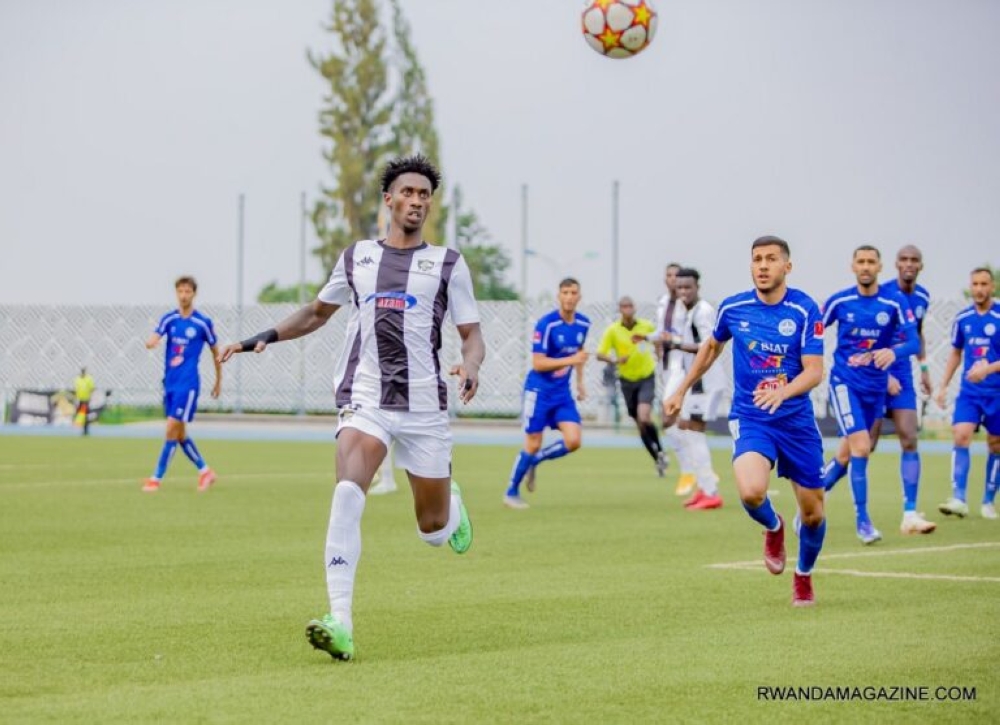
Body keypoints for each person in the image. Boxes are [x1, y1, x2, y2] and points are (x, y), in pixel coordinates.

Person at [219, 154, 485, 661]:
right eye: (407, 192)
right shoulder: (357, 257)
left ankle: (451, 505)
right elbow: (317, 312)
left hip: (425, 406)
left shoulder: (448, 264)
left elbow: (472, 335)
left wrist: (471, 366)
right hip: (366, 399)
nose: (416, 201)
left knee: (432, 533)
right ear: (389, 199)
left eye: (424, 195)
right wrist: (264, 337)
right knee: (347, 491)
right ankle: (339, 620)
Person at [665, 235, 826, 606]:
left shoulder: (804, 311)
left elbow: (814, 371)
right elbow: (711, 348)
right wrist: (682, 390)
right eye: (757, 259)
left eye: (771, 259)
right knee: (752, 492)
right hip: (753, 417)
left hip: (796, 421)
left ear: (788, 266)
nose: (763, 266)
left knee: (814, 515)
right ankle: (774, 527)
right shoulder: (733, 308)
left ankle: (803, 574)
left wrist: (783, 392)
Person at [820, 245, 937, 534]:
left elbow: (914, 340)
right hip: (850, 383)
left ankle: (909, 513)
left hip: (882, 378)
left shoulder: (904, 301)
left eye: (871, 262)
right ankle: (861, 521)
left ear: (880, 266)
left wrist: (910, 363)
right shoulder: (842, 301)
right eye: (860, 261)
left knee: (903, 438)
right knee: (862, 446)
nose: (866, 266)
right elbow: (814, 330)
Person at [504, 278, 589, 509]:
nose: (570, 297)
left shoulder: (583, 324)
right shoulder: (546, 324)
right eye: (565, 292)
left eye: (573, 292)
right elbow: (538, 363)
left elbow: (580, 353)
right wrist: (573, 360)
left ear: (579, 297)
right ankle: (511, 492)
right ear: (558, 296)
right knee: (532, 443)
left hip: (562, 394)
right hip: (539, 391)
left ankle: (536, 461)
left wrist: (580, 383)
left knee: (574, 440)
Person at [143, 276, 221, 493]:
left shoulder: (202, 323)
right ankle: (205, 471)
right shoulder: (170, 319)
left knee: (170, 428)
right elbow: (155, 335)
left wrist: (218, 382)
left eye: (187, 291)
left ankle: (156, 478)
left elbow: (217, 353)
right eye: (180, 291)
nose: (184, 295)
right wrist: (151, 342)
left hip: (188, 385)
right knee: (179, 434)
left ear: (194, 294)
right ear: (176, 293)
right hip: (170, 383)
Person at [935, 267, 1000, 520]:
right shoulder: (962, 319)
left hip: (996, 393)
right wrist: (943, 386)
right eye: (975, 284)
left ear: (992, 286)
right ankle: (959, 497)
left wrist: (989, 369)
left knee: (995, 444)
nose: (979, 289)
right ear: (970, 287)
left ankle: (988, 500)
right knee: (960, 435)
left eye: (984, 284)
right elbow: (955, 353)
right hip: (970, 393)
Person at [671, 268, 726, 510]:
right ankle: (705, 486)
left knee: (693, 431)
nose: (683, 292)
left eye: (687, 287)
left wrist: (676, 344)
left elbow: (709, 346)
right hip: (696, 383)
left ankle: (711, 491)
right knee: (684, 428)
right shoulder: (687, 311)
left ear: (697, 288)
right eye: (680, 287)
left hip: (705, 382)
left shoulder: (703, 312)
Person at [598, 296, 667, 476]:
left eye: (630, 306)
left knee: (644, 416)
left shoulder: (645, 326)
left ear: (634, 308)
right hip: (627, 380)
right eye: (624, 307)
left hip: (646, 376)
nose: (627, 310)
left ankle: (660, 449)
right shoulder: (613, 330)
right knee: (639, 424)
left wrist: (659, 356)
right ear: (620, 310)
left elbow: (658, 340)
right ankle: (657, 458)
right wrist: (615, 359)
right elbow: (600, 354)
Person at [655, 262, 693, 494]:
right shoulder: (662, 303)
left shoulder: (687, 305)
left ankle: (690, 469)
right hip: (667, 367)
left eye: (676, 276)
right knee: (676, 421)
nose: (672, 279)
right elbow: (662, 333)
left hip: (684, 366)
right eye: (668, 275)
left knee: (669, 418)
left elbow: (686, 336)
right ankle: (696, 469)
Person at [73, 367, 96, 436]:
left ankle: (85, 430)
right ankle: (82, 429)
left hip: (86, 400)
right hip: (79, 400)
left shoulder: (88, 379)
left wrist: (90, 397)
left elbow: (92, 388)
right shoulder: (77, 379)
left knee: (85, 415)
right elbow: (76, 389)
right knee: (80, 415)